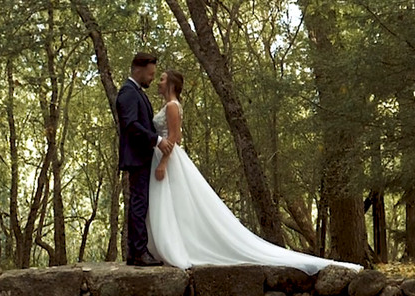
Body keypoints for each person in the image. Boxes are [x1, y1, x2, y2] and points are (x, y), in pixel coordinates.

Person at [146, 70, 362, 275]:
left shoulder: (172, 106)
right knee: (171, 205)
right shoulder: (169, 106)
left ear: (172, 84)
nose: (159, 82)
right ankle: (171, 244)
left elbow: (175, 137)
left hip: (169, 159)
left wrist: (163, 163)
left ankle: (176, 247)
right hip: (164, 156)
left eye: (163, 79)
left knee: (172, 203)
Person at [116, 52, 173, 266]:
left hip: (143, 156)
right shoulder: (128, 93)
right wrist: (156, 139)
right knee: (138, 203)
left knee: (141, 202)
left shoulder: (137, 92)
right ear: (137, 70)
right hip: (137, 156)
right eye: (150, 74)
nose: (151, 79)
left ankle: (136, 251)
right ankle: (138, 252)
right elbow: (131, 125)